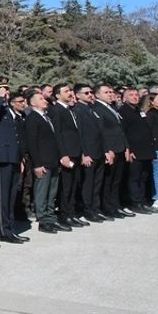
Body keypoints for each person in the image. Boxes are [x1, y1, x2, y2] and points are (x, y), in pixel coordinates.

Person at [0, 80, 29, 242]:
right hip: (1, 158)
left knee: (11, 195)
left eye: (7, 89)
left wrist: (21, 157)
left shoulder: (7, 109)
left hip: (13, 157)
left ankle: (10, 227)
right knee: (3, 196)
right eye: (1, 89)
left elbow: (17, 135)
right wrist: (0, 98)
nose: (5, 92)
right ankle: (4, 231)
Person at [22, 90, 64, 233]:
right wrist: (37, 164)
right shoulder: (32, 118)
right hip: (42, 162)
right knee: (42, 192)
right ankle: (43, 219)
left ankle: (51, 217)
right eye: (40, 99)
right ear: (33, 103)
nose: (44, 100)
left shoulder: (46, 117)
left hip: (52, 161)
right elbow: (32, 144)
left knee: (52, 192)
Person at [92, 85, 132, 219]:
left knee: (116, 180)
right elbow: (101, 132)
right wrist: (107, 149)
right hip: (110, 149)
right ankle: (107, 207)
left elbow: (120, 130)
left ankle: (115, 205)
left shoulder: (113, 108)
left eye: (111, 92)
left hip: (120, 148)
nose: (110, 94)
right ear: (97, 95)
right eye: (106, 92)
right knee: (108, 180)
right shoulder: (97, 108)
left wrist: (126, 147)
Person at [49, 84, 86, 226]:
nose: (70, 93)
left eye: (71, 90)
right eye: (66, 91)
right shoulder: (56, 110)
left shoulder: (70, 109)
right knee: (66, 187)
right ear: (57, 95)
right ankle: (65, 215)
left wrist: (81, 152)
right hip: (67, 155)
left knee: (74, 184)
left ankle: (72, 212)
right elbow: (57, 134)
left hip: (76, 152)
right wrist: (63, 155)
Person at [71, 85, 108, 222]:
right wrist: (84, 153)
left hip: (98, 151)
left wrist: (106, 150)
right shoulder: (78, 110)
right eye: (86, 93)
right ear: (78, 95)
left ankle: (95, 208)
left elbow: (101, 132)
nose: (90, 95)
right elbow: (79, 134)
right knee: (88, 183)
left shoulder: (92, 109)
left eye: (91, 92)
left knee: (97, 183)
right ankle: (88, 209)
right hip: (89, 152)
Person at [119, 87, 158, 214]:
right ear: (124, 98)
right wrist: (128, 149)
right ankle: (135, 203)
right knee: (134, 178)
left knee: (143, 177)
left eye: (136, 95)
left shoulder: (138, 110)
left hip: (145, 150)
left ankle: (142, 201)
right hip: (134, 151)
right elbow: (123, 132)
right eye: (131, 95)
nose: (135, 97)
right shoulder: (123, 111)